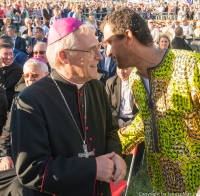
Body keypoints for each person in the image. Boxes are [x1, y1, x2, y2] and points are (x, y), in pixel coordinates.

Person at [10, 17, 126, 196]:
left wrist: (115, 155)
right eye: (91, 50)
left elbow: (110, 131)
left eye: (98, 47)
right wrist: (92, 168)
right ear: (64, 56)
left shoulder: (96, 87)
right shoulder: (30, 100)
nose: (99, 56)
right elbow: (31, 171)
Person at [102, 7, 200, 194]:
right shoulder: (134, 79)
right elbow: (147, 120)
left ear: (128, 37)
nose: (107, 52)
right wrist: (107, 146)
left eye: (109, 42)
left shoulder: (190, 66)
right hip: (161, 186)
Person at [0, 58, 49, 196]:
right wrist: (5, 156)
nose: (29, 79)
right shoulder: (18, 99)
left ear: (47, 75)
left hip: (44, 164)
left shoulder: (55, 100)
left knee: (19, 188)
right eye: (26, 76)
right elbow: (6, 133)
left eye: (34, 75)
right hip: (18, 160)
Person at [0, 43, 22, 110]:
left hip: (7, 102)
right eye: (5, 54)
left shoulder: (17, 69)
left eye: (11, 53)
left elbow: (4, 86)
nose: (9, 57)